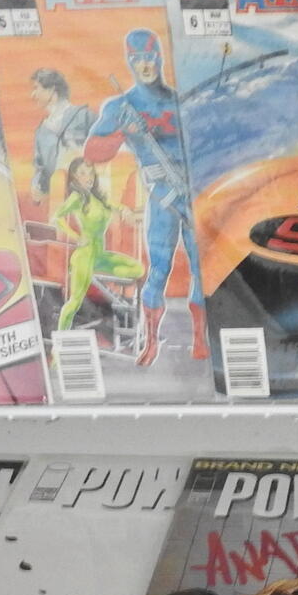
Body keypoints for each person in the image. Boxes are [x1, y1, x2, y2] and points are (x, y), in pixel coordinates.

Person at [83, 30, 205, 368]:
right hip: (161, 197)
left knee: (201, 268)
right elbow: (92, 152)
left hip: (193, 194)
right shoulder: (122, 107)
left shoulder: (183, 102)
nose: (144, 64)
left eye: (149, 56)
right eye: (136, 58)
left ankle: (200, 340)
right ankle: (151, 343)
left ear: (159, 57)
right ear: (129, 61)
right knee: (159, 269)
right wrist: (123, 132)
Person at [55, 157, 146, 332]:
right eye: (82, 173)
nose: (88, 177)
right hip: (84, 256)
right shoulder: (77, 197)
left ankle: (118, 299)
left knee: (138, 269)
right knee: (74, 302)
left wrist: (124, 209)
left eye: (90, 173)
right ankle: (59, 340)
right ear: (74, 177)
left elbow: (115, 205)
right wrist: (76, 237)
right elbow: (57, 217)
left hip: (99, 256)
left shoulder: (97, 198)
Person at [29, 68, 90, 203]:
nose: (33, 94)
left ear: (51, 89)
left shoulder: (83, 116)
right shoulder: (42, 132)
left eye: (36, 88)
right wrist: (36, 187)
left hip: (87, 199)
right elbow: (40, 169)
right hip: (59, 202)